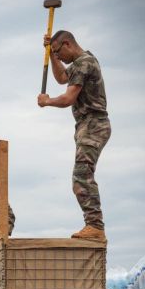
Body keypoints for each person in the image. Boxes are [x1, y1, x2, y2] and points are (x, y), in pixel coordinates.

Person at [37, 30, 111, 243]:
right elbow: (61, 77)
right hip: (87, 125)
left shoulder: (84, 63)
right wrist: (51, 53)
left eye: (59, 52)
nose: (59, 58)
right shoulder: (81, 62)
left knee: (81, 176)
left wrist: (47, 101)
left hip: (93, 124)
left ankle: (95, 226)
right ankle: (94, 224)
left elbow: (68, 97)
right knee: (81, 175)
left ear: (67, 44)